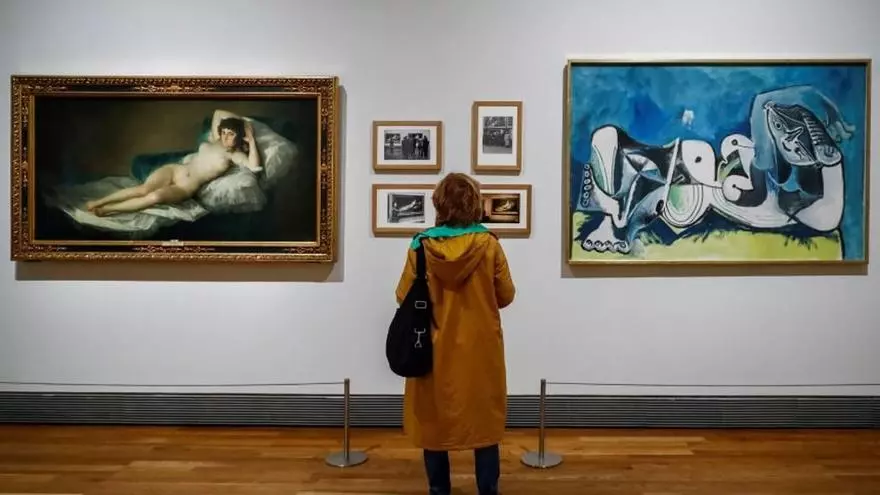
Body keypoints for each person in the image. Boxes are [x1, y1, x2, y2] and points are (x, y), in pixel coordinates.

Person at [394, 172, 516, 495]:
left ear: (440, 204)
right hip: (481, 351)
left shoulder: (421, 247)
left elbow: (402, 296)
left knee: (434, 424)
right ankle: (488, 489)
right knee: (484, 424)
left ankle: (439, 489)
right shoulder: (489, 245)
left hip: (433, 351)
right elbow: (506, 295)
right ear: (474, 203)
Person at [85, 109, 262, 216]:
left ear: (239, 137)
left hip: (185, 187)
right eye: (224, 132)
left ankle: (107, 210)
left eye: (231, 134)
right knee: (144, 189)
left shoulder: (235, 155)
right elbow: (218, 113)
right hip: (175, 170)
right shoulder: (216, 139)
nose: (225, 136)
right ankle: (99, 202)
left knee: (153, 197)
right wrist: (243, 122)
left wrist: (251, 138)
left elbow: (254, 166)